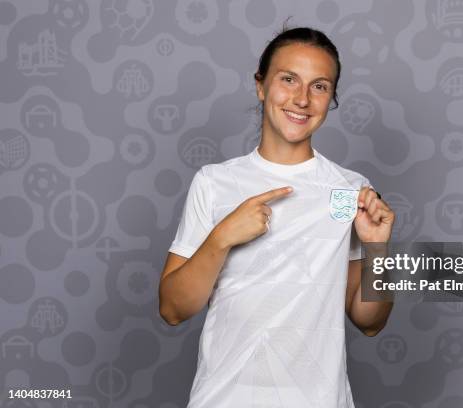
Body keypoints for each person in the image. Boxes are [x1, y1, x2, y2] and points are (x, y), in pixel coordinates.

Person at [159, 24, 395, 408]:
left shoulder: (349, 190)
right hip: (226, 398)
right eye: (288, 79)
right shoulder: (216, 182)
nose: (302, 98)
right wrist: (222, 237)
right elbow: (172, 309)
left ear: (331, 97)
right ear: (261, 86)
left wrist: (378, 249)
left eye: (319, 86)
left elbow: (370, 322)